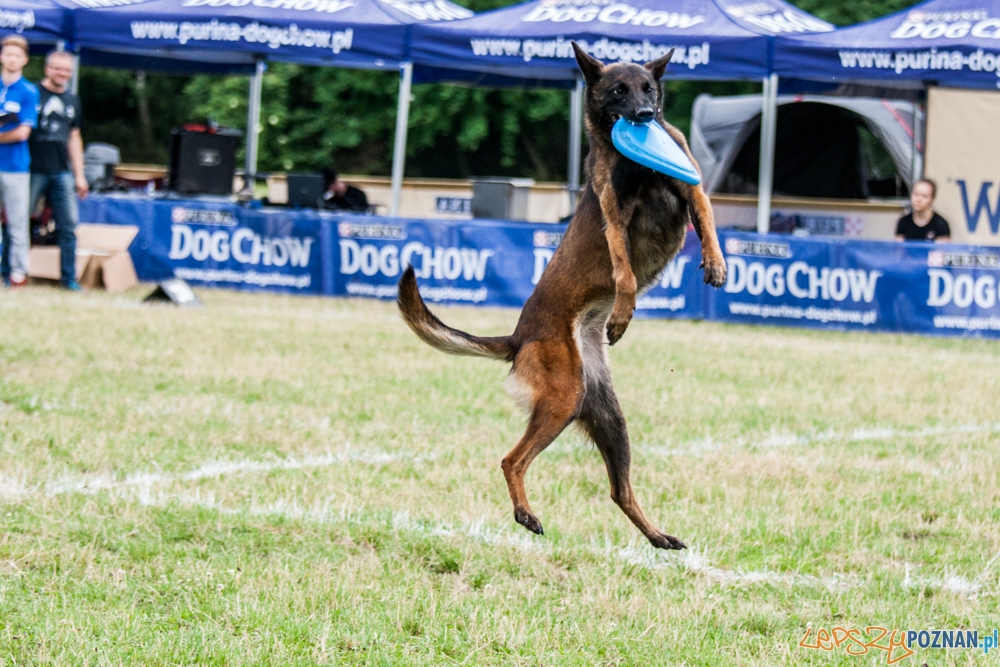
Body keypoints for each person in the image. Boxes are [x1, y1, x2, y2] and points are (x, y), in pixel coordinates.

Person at [29, 50, 87, 291]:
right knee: (18, 222)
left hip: (61, 171)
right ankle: (9, 272)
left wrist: (80, 175)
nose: (62, 73)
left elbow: (74, 137)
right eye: (57, 68)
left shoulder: (73, 101)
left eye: (66, 70)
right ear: (47, 69)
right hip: (32, 169)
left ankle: (69, 279)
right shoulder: (32, 94)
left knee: (68, 225)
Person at [0, 35, 39, 288]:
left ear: (24, 60)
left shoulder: (28, 91)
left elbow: (24, 131)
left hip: (15, 166)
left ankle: (18, 273)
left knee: (17, 221)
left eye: (17, 55)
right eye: (8, 54)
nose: (12, 59)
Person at [895, 178, 950, 242]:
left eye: (924, 196)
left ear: (932, 199)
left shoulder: (941, 224)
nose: (918, 200)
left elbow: (942, 250)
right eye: (916, 194)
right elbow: (899, 249)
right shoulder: (903, 222)